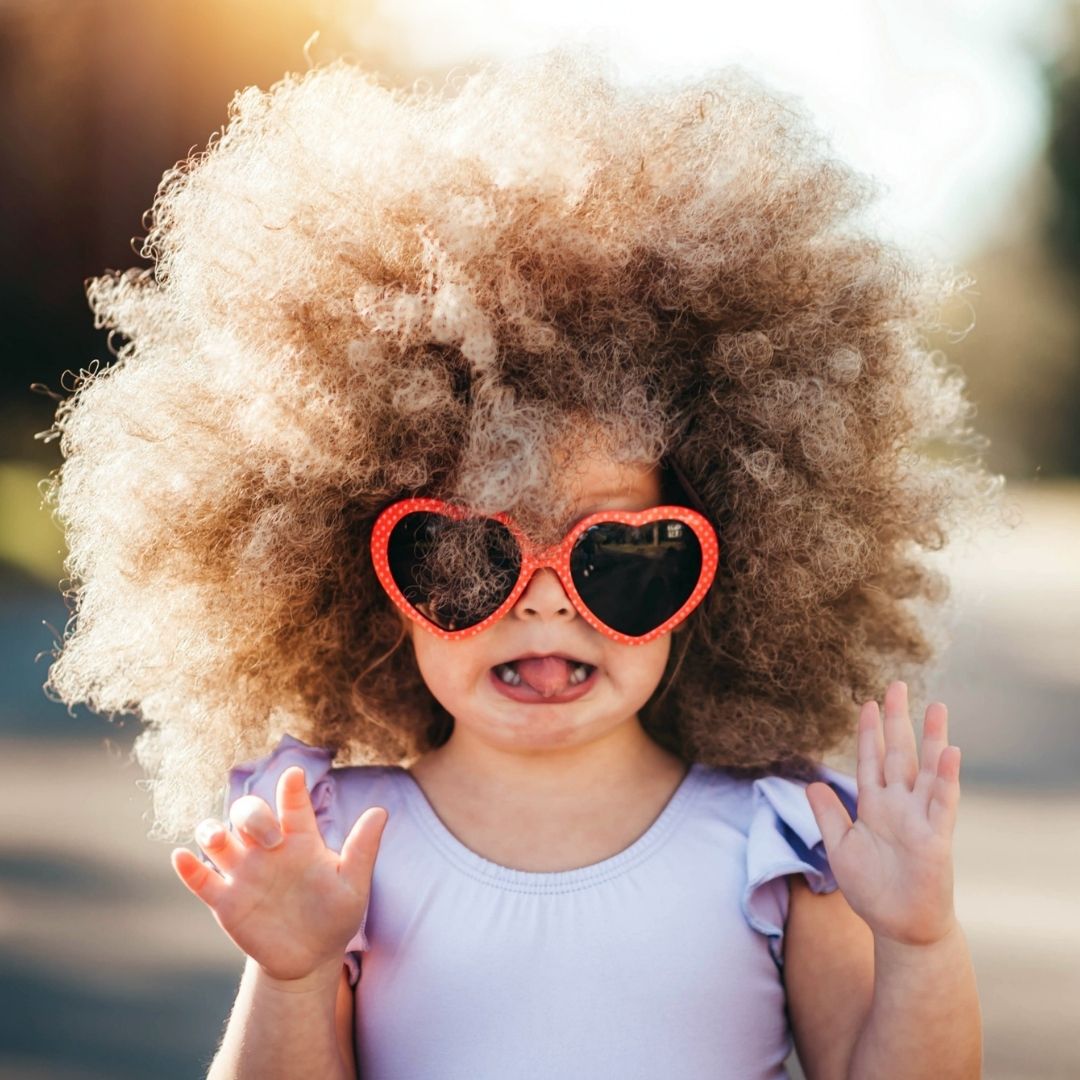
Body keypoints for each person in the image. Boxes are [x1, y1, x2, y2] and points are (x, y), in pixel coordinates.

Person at [43, 45, 996, 1079]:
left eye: (624, 556)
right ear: (364, 585)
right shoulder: (338, 848)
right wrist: (292, 973)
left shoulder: (781, 846)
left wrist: (919, 943)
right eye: (465, 555)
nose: (544, 606)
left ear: (731, 573)